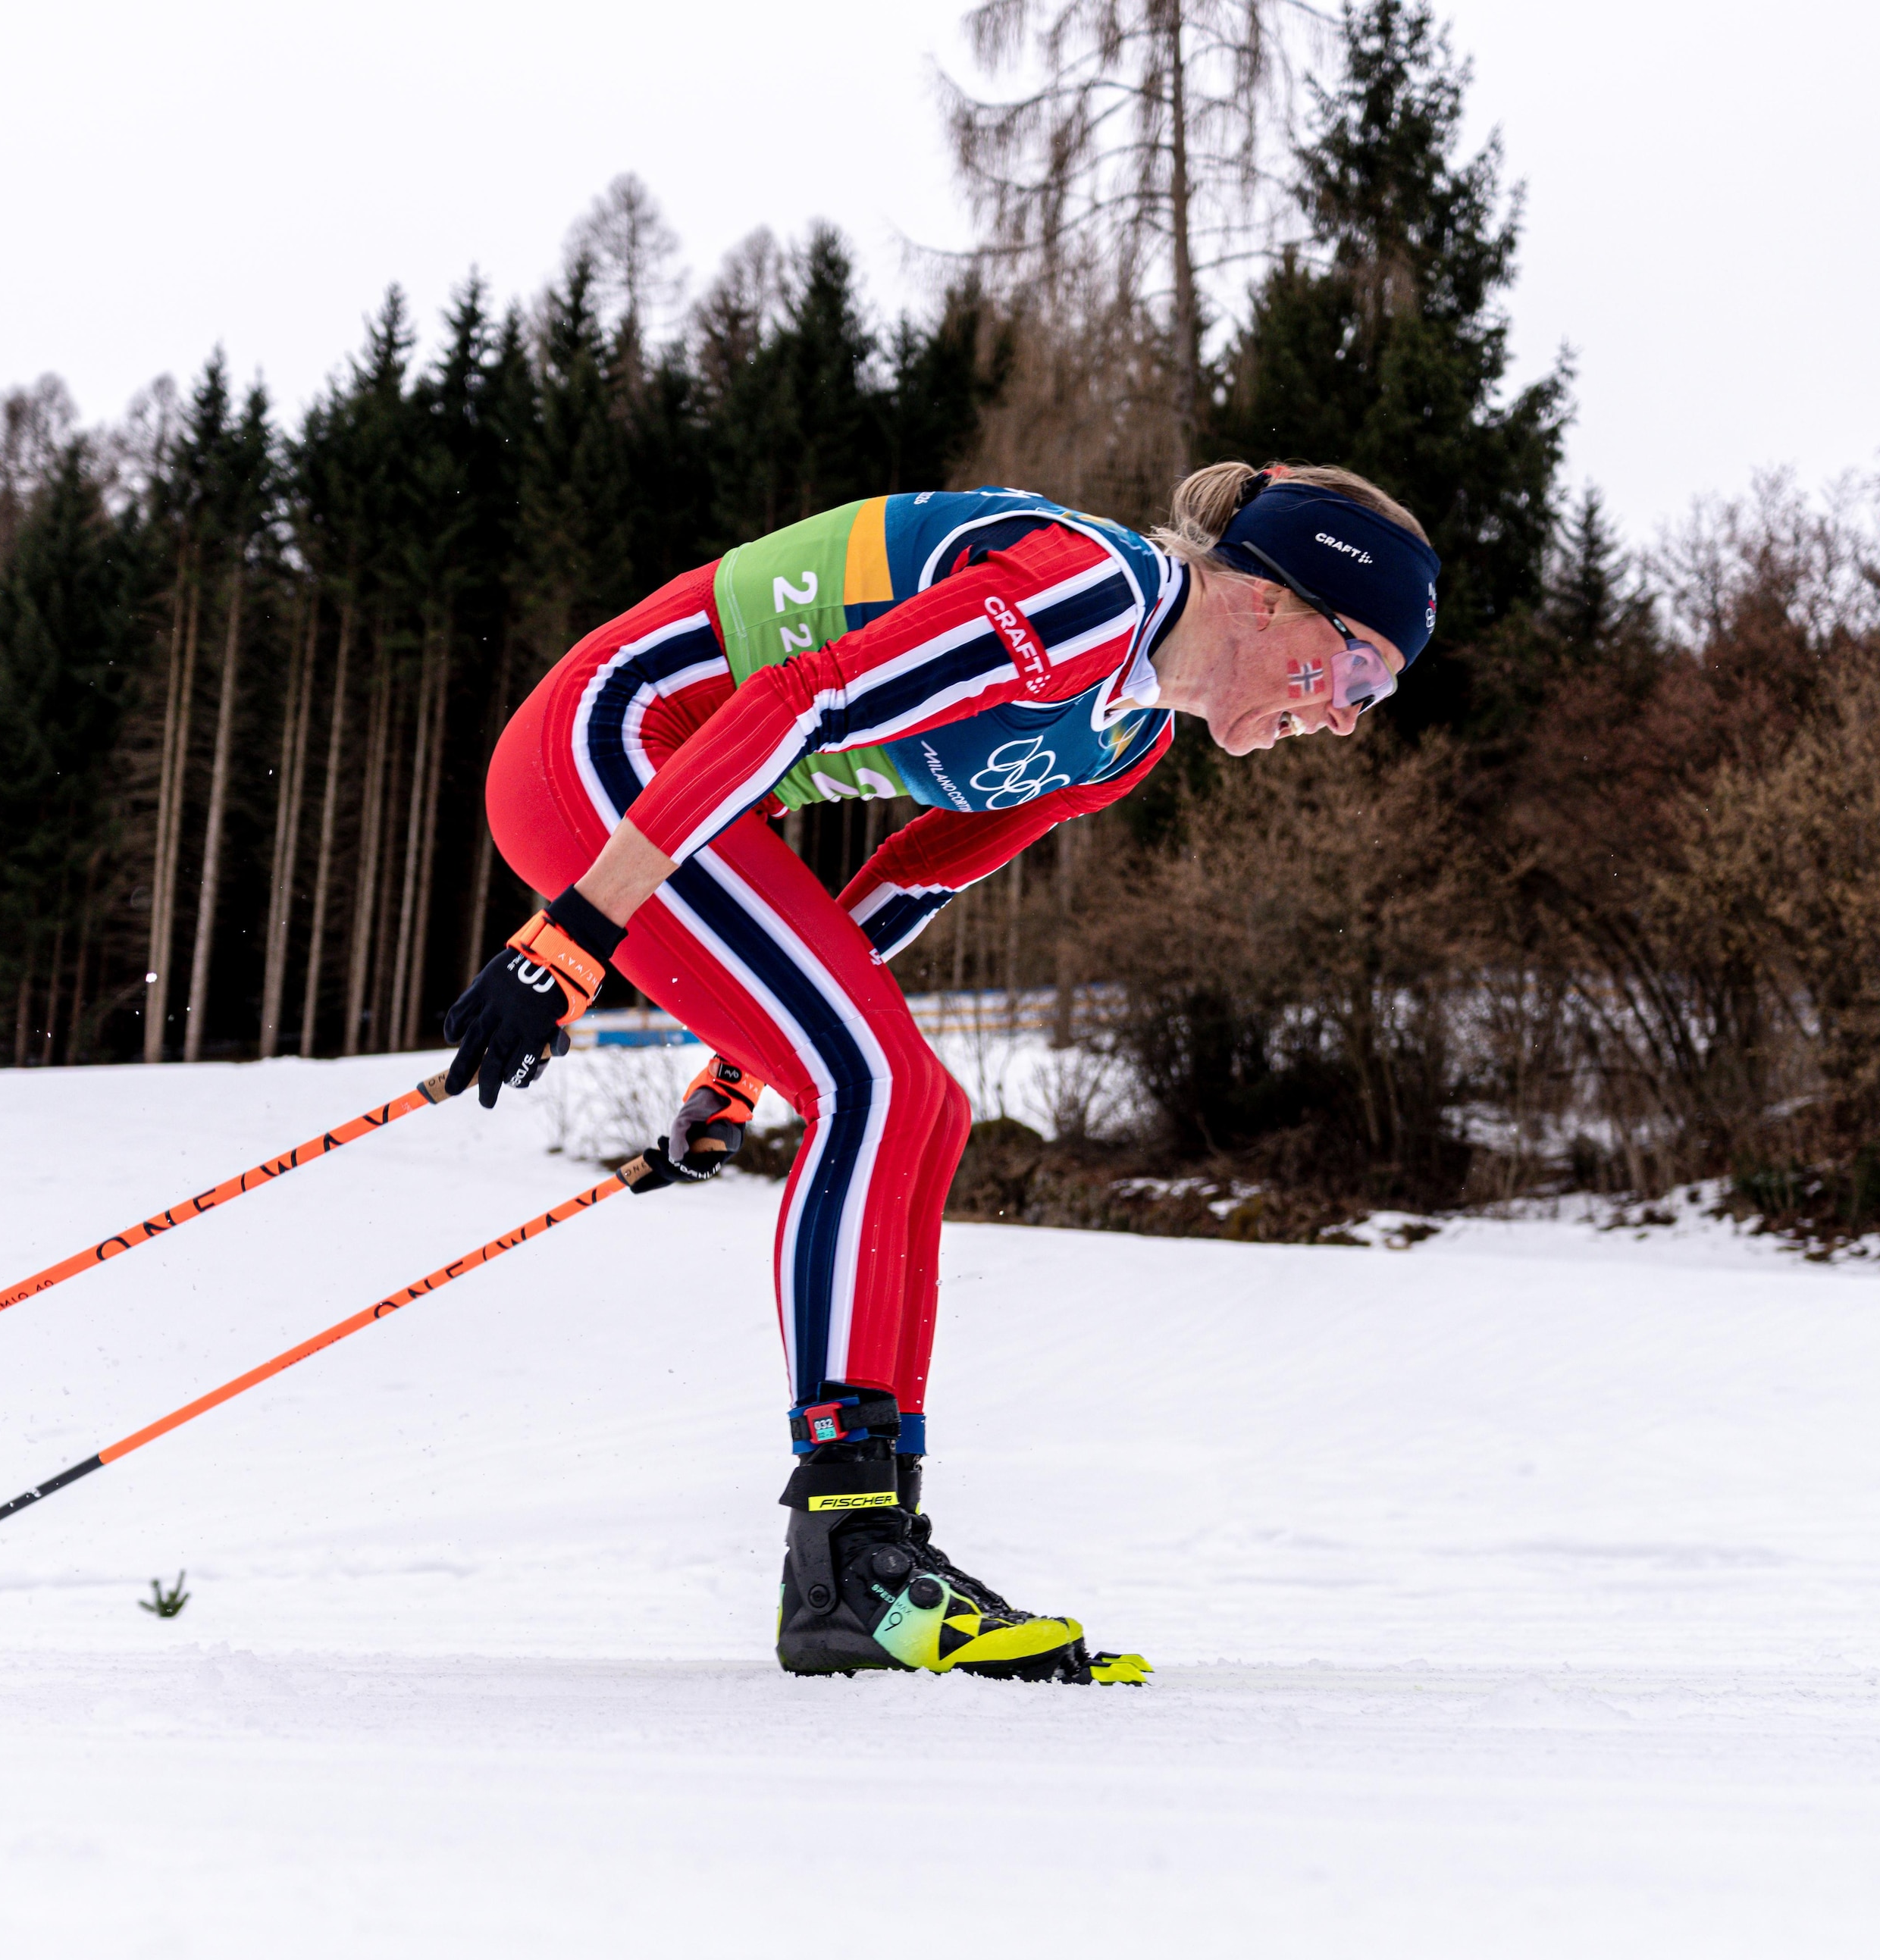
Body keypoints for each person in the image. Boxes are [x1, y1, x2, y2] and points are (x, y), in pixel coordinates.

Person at [443, 462, 1440, 1683]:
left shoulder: (1120, 738)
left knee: (920, 1102)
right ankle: (846, 1554)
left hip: (688, 807)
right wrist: (575, 930)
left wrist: (744, 1070)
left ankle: (882, 1543)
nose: (1345, 716)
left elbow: (917, 872)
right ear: (1275, 597)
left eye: (1374, 699)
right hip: (610, 748)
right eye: (1357, 673)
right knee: (883, 1087)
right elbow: (802, 703)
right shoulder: (1089, 596)